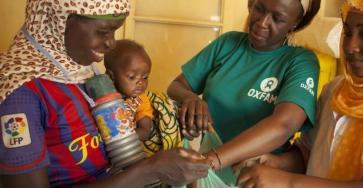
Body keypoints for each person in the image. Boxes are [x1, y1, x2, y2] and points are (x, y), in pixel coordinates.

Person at [0, 0, 209, 187]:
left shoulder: (80, 69)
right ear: (58, 21)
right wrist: (148, 171)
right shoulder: (20, 96)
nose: (111, 43)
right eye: (103, 32)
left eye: (114, 31)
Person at [237, 0, 363, 187]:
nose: (350, 47)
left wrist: (288, 182)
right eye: (347, 33)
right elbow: (308, 153)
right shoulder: (336, 90)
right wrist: (275, 163)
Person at [167, 0, 321, 173]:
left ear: (295, 23)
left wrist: (214, 159)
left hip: (256, 176)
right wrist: (191, 99)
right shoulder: (227, 44)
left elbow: (284, 124)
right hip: (206, 169)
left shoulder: (300, 62)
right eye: (259, 9)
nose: (262, 22)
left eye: (277, 19)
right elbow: (176, 86)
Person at [104, 40, 181, 157]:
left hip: (129, 154)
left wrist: (118, 138)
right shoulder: (101, 95)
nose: (140, 82)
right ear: (111, 76)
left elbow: (145, 131)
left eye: (145, 77)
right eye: (132, 77)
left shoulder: (140, 100)